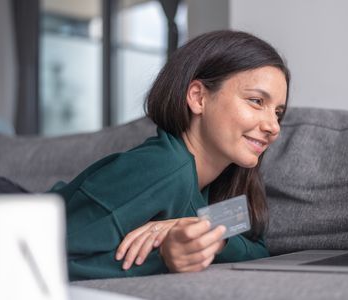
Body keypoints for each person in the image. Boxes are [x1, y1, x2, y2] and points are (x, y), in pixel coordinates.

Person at [50, 30, 290, 281]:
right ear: (198, 98)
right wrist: (164, 257)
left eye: (278, 113)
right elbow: (42, 259)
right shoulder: (162, 168)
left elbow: (259, 251)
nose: (273, 127)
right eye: (256, 101)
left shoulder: (230, 179)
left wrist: (207, 233)